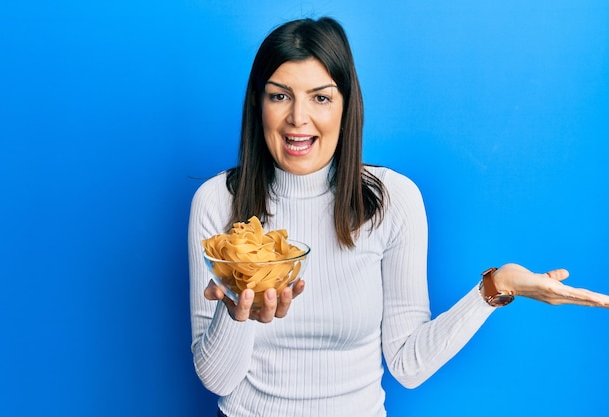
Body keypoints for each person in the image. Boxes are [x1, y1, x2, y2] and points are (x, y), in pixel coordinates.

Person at [188, 17, 609, 417]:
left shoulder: (393, 201)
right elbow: (217, 378)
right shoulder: (216, 203)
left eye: (320, 97)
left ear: (345, 106)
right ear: (258, 104)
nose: (299, 118)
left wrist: (495, 288)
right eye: (280, 95)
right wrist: (235, 310)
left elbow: (408, 364)